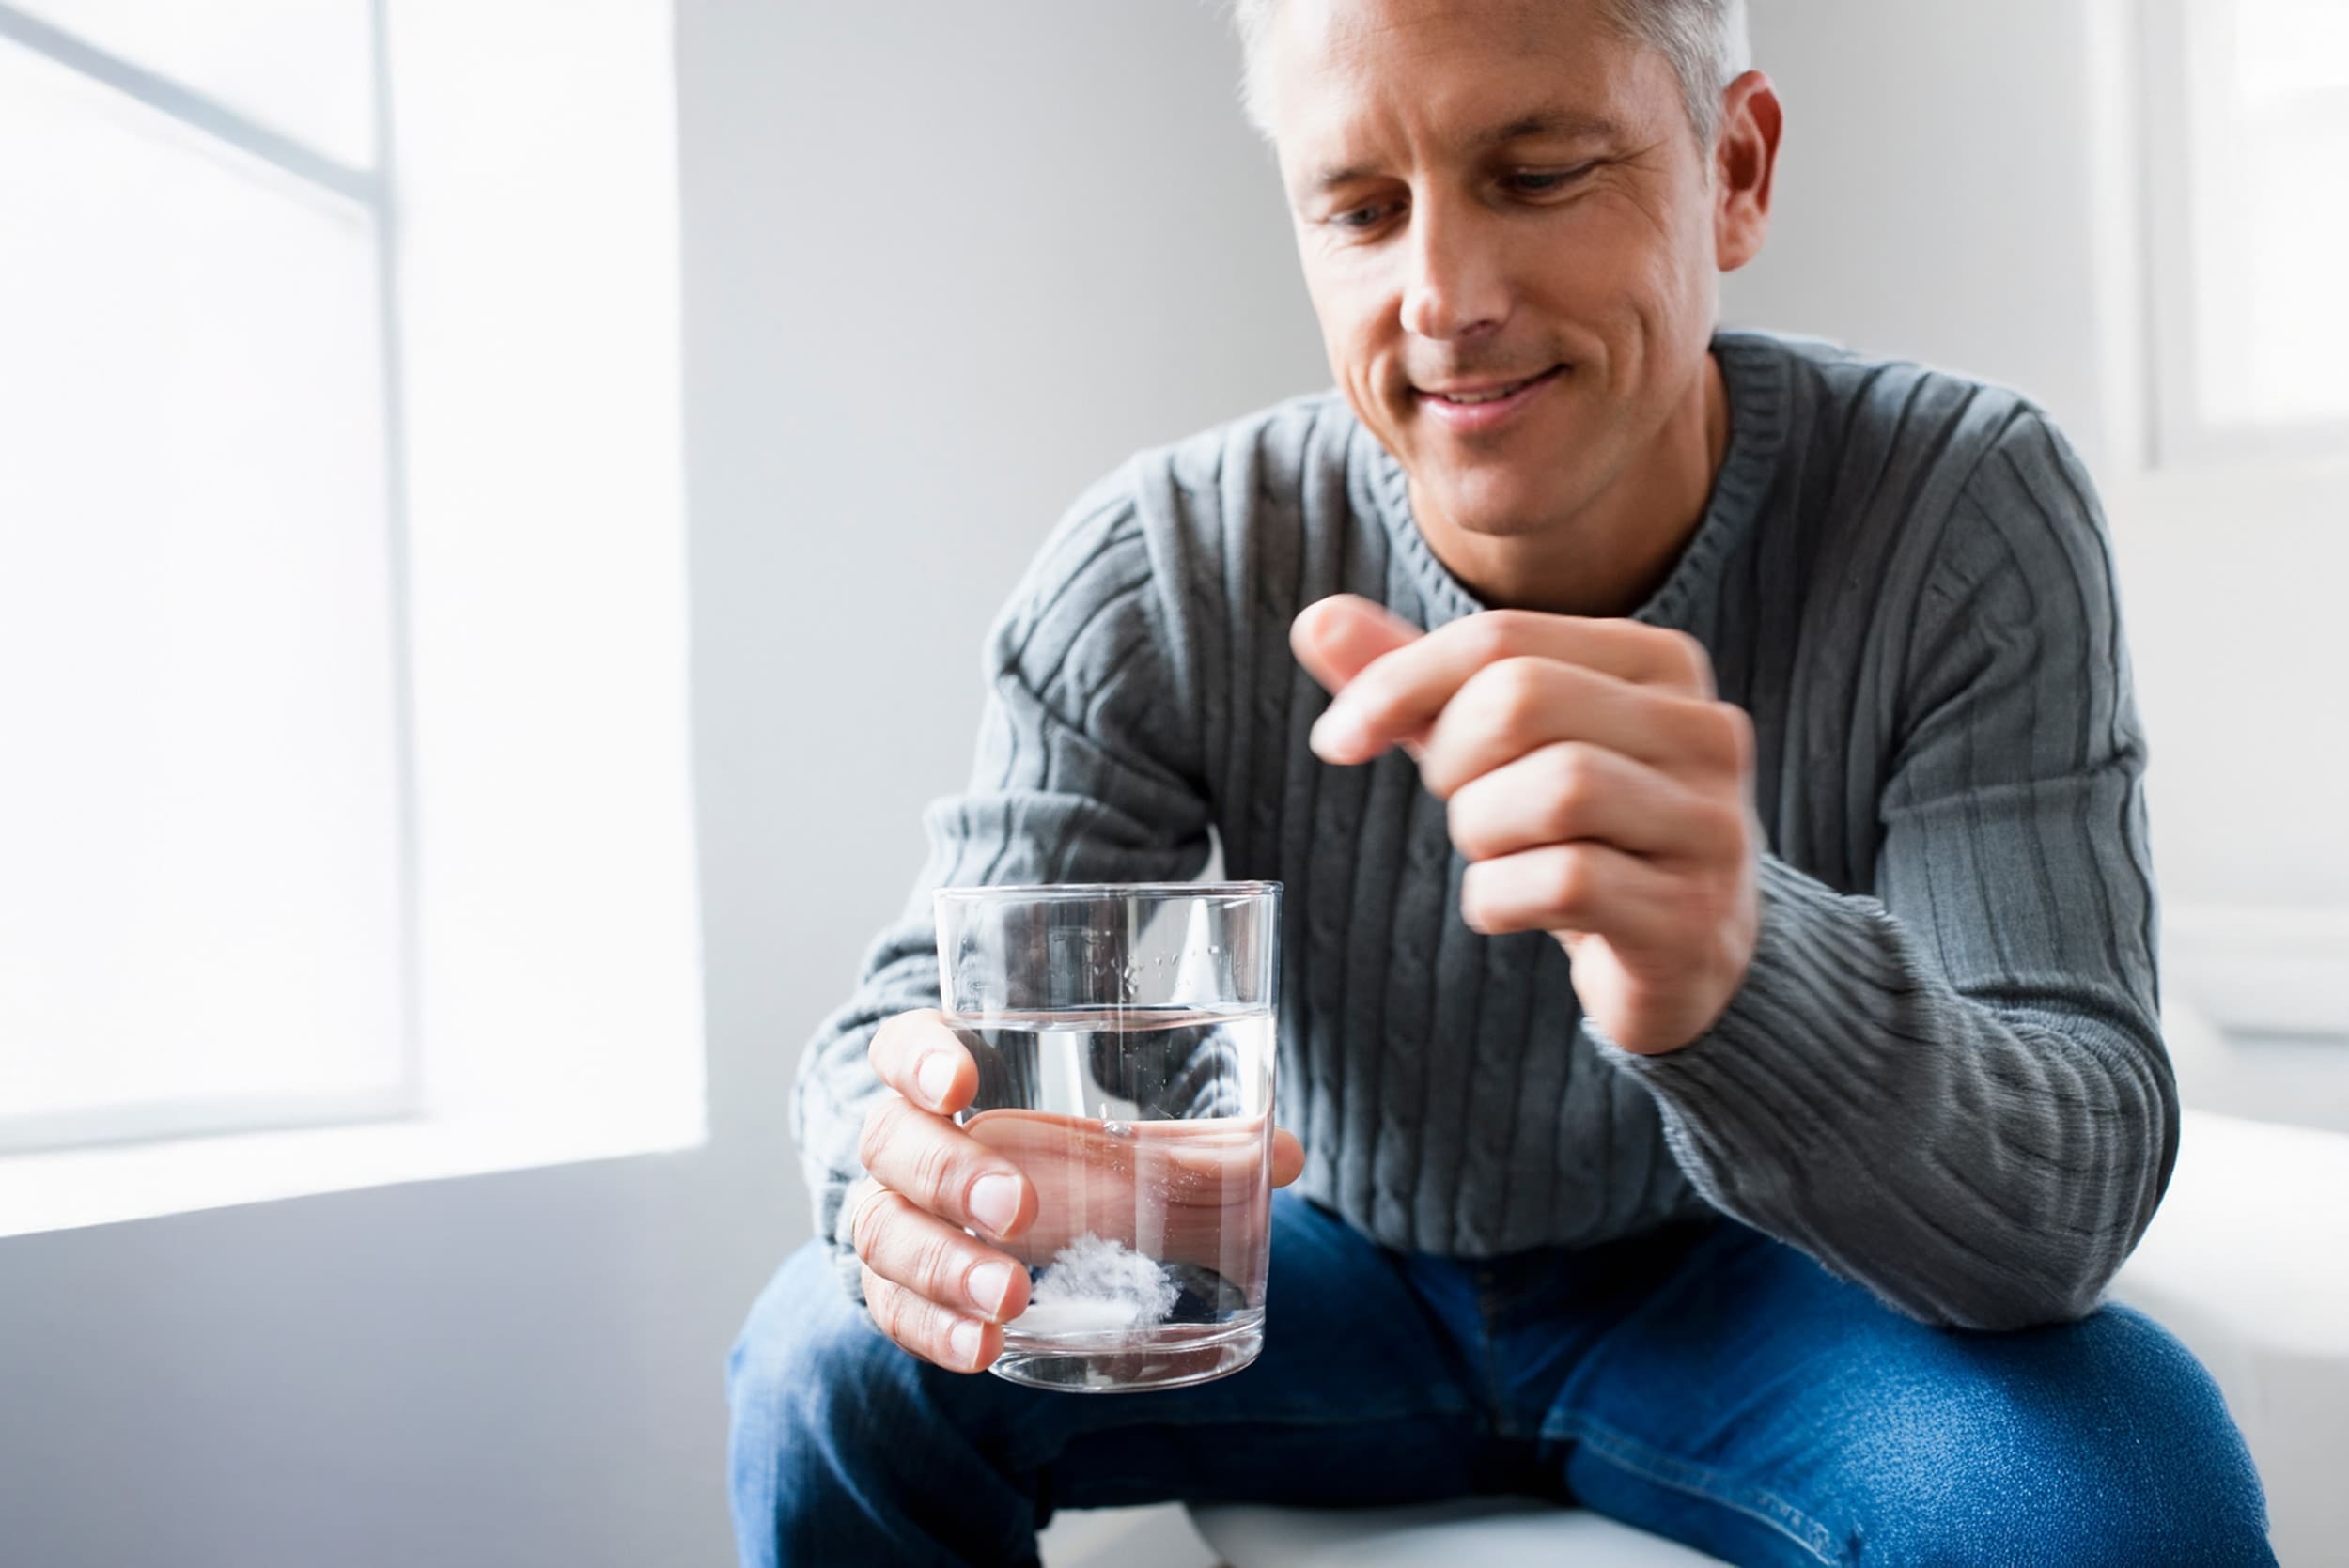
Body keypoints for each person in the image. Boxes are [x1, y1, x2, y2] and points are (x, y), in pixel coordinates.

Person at [727, 0, 2275, 1561]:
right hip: (1329, 1277)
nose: (1444, 299)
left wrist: (1746, 973)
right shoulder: (1169, 568)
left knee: (2134, 1487)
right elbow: (906, 1020)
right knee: (826, 1362)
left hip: (1765, 1287)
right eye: (1362, 208)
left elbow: (2073, 1184)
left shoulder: (1960, 512)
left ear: (1733, 167)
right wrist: (914, 1162)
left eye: (1537, 173)